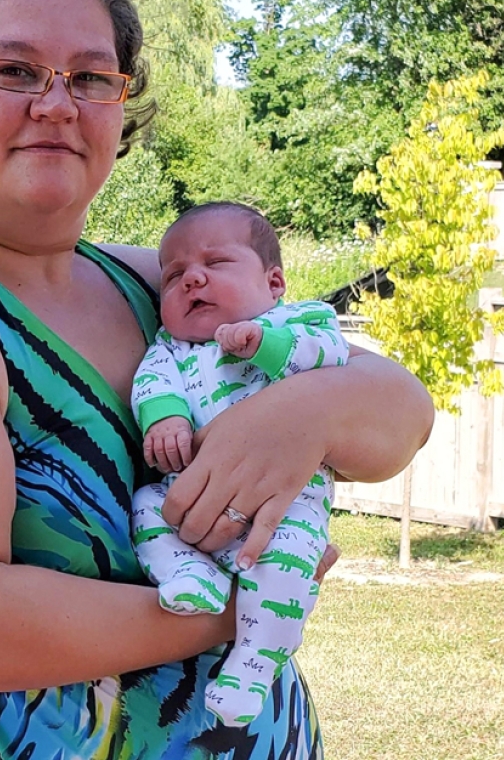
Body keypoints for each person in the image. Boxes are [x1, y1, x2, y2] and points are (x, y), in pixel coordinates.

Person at [0, 0, 435, 759]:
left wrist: (308, 411)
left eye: (92, 78)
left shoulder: (159, 283)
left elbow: (402, 418)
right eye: (15, 71)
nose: (57, 104)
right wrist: (252, 609)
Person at [128, 202, 350, 730]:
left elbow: (329, 359)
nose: (192, 279)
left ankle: (252, 665)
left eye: (216, 263)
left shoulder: (299, 320)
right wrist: (166, 420)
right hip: (186, 496)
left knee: (287, 567)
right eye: (174, 275)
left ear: (274, 281)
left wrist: (267, 344)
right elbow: (151, 384)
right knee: (145, 507)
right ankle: (188, 572)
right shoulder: (172, 348)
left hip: (285, 506)